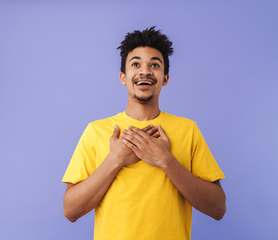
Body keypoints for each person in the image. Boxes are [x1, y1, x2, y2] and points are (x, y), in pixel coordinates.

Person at [62, 26, 226, 240]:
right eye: (136, 64)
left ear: (165, 78)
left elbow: (218, 209)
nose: (145, 71)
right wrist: (115, 159)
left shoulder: (188, 130)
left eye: (155, 65)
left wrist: (166, 161)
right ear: (123, 76)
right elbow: (71, 211)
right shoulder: (96, 131)